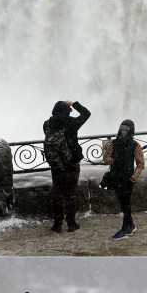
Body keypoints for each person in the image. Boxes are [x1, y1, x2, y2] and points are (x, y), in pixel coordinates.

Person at [43, 98, 91, 234]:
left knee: (57, 193)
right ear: (67, 111)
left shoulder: (46, 124)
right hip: (71, 163)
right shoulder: (72, 123)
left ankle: (57, 224)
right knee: (70, 194)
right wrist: (74, 103)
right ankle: (71, 224)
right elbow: (87, 114)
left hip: (56, 164)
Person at [101, 120, 145, 240]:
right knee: (123, 204)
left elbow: (140, 164)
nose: (123, 131)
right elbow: (105, 159)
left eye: (126, 129)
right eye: (122, 128)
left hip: (127, 179)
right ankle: (131, 225)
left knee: (126, 204)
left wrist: (133, 177)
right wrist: (113, 160)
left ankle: (126, 229)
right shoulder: (113, 143)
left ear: (131, 131)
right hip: (115, 177)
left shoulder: (135, 145)